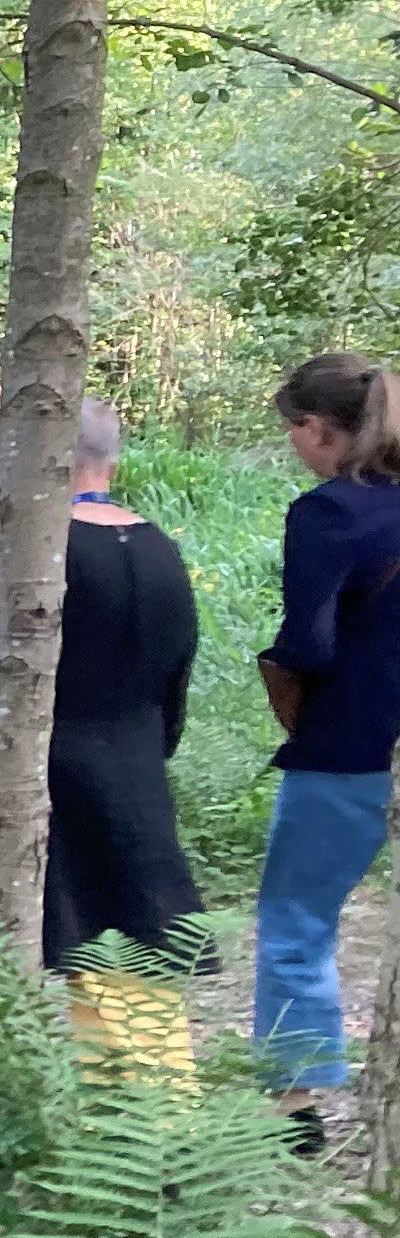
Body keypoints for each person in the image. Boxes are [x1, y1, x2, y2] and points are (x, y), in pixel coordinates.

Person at [0, 399, 204, 967]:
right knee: (132, 956)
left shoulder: (40, 556)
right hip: (136, 778)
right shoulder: (163, 551)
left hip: (31, 779)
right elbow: (175, 679)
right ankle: (142, 1062)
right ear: (113, 458)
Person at [252, 351, 400, 1113]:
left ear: (315, 429)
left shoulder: (329, 512)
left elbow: (309, 643)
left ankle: (295, 1107)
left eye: (292, 431)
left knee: (295, 920)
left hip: (351, 748)